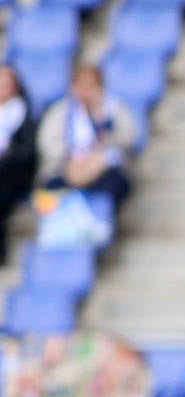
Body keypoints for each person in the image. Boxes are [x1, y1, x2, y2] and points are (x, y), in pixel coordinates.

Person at [36, 64, 138, 208]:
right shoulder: (60, 111)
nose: (86, 92)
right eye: (81, 86)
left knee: (111, 187)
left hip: (102, 171)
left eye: (91, 86)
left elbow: (128, 138)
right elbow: (48, 144)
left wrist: (102, 125)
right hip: (65, 169)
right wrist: (70, 162)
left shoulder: (114, 109)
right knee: (52, 189)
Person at [0, 65, 38, 266]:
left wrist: (7, 157)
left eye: (6, 83)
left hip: (13, 176)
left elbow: (28, 153)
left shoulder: (23, 114)